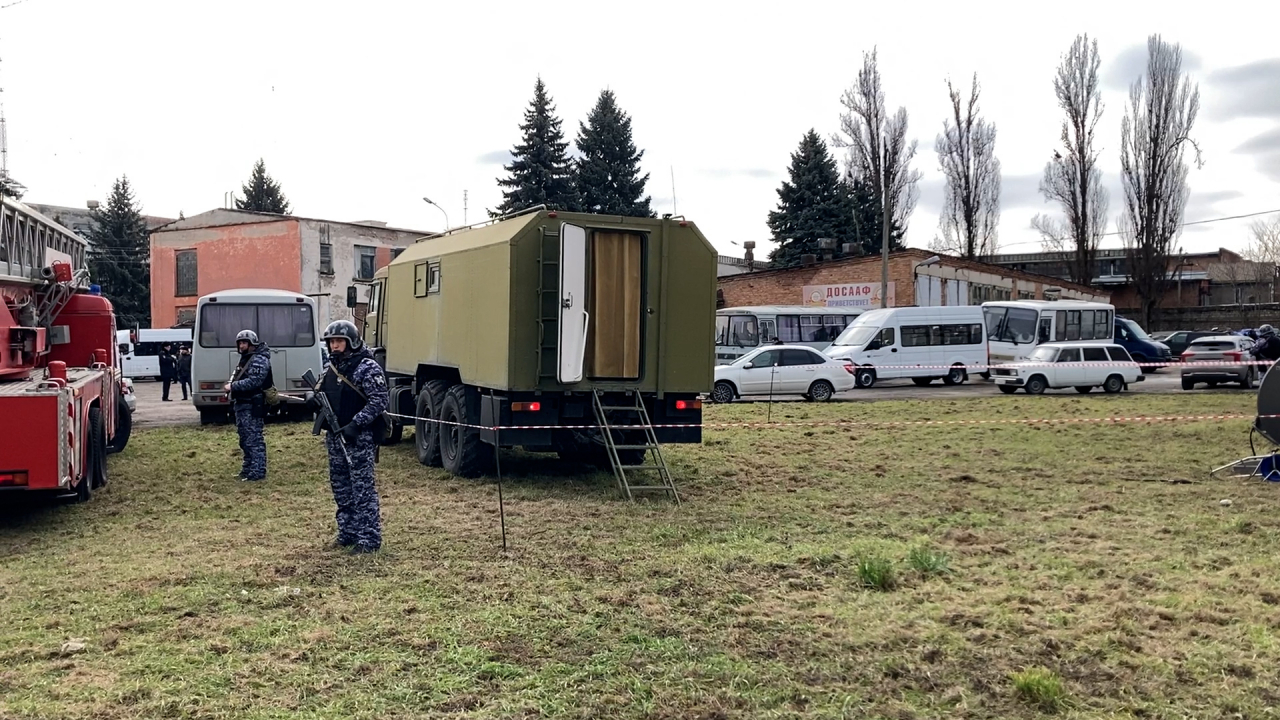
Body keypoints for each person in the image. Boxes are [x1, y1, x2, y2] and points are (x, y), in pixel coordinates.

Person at [309, 320, 388, 554]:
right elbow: (322, 391)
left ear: (351, 342)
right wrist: (313, 399)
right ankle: (348, 532)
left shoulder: (366, 367)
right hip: (335, 436)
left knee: (362, 489)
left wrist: (357, 423)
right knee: (341, 487)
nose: (335, 345)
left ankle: (369, 539)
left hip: (358, 437)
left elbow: (379, 400)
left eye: (339, 341)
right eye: (332, 341)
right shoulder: (330, 368)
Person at [226, 330, 273, 482]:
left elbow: (255, 381)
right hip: (243, 405)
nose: (241, 345)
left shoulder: (259, 359)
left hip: (253, 405)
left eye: (244, 343)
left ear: (252, 344)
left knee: (254, 439)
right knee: (244, 439)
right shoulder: (246, 359)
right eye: (240, 343)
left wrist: (232, 386)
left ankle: (258, 471)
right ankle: (248, 469)